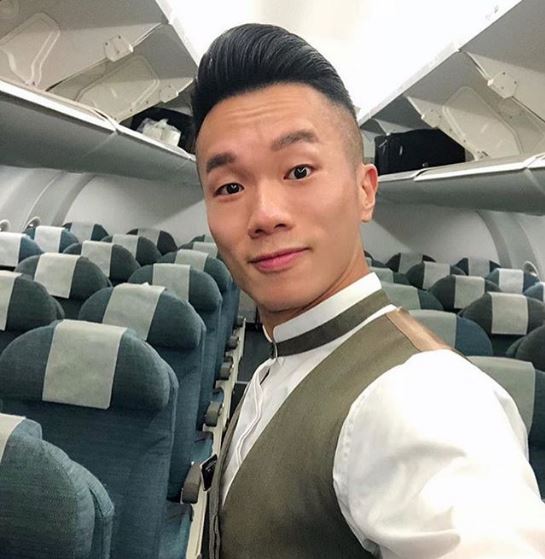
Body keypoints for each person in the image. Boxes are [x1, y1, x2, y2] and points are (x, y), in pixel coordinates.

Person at [191, 23, 545, 559]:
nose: (265, 214)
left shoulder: (423, 399)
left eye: (299, 170)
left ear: (364, 191)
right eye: (230, 186)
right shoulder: (279, 359)